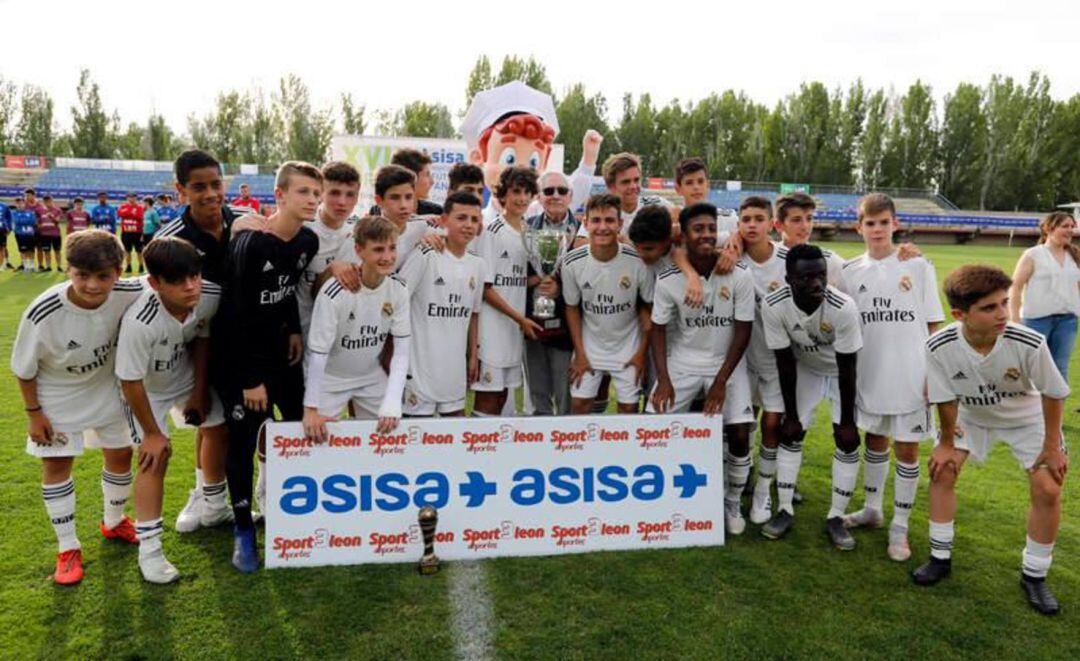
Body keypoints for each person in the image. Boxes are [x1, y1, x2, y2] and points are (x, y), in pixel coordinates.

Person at [914, 265, 1069, 616]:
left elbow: (1053, 393)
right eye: (989, 308)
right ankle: (940, 557)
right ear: (959, 314)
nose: (1003, 313)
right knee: (943, 470)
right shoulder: (938, 345)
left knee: (1048, 487)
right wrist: (945, 443)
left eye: (1004, 302)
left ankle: (1034, 575)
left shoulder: (1028, 341)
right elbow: (944, 396)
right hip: (971, 415)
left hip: (1026, 418)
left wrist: (1050, 447)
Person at [11, 230, 145, 585]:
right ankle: (67, 547)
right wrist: (33, 413)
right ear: (68, 270)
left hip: (107, 388)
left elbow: (170, 277)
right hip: (56, 394)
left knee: (120, 455)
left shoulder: (130, 290)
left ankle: (114, 522)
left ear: (119, 271)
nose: (92, 285)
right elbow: (23, 369)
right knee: (57, 464)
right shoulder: (43, 311)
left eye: (103, 276)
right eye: (81, 275)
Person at [215, 161, 320, 572]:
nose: (312, 199)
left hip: (282, 356)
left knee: (295, 428)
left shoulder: (307, 240)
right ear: (279, 196)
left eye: (316, 192)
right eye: (303, 192)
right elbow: (233, 314)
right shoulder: (252, 242)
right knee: (242, 440)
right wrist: (250, 379)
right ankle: (243, 529)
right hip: (243, 361)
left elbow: (287, 290)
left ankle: (292, 515)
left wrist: (293, 329)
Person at [115, 237, 228, 583]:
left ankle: (213, 506)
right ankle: (150, 551)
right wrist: (151, 433)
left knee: (218, 426)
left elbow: (204, 337)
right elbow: (130, 381)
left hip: (183, 376)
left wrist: (197, 392)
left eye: (194, 275)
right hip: (144, 391)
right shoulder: (141, 321)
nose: (191, 286)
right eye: (178, 281)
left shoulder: (208, 294)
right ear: (155, 283)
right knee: (154, 457)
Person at [839, 193, 944, 561]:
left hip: (911, 374)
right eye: (870, 223)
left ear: (895, 224)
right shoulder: (850, 272)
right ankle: (872, 509)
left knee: (908, 448)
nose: (878, 229)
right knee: (875, 439)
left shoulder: (918, 267)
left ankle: (900, 527)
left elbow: (934, 323)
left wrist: (936, 374)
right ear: (859, 228)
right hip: (870, 371)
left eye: (884, 222)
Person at [155, 149, 252, 532]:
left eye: (216, 184)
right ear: (181, 190)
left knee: (225, 424)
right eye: (199, 187)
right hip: (195, 344)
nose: (210, 194)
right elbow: (161, 300)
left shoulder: (244, 223)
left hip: (239, 338)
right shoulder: (170, 239)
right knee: (211, 422)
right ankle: (206, 496)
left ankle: (209, 495)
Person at [648, 202, 756, 534]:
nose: (706, 234)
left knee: (739, 431)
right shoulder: (669, 279)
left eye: (711, 228)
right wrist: (663, 379)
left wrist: (721, 381)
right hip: (683, 362)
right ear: (686, 236)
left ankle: (732, 501)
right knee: (654, 427)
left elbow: (743, 330)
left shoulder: (739, 275)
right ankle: (659, 496)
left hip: (726, 364)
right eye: (698, 229)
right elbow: (657, 330)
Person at [761, 244, 863, 547]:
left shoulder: (842, 306)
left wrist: (847, 421)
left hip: (842, 372)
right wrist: (790, 415)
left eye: (821, 275)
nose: (817, 283)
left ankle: (836, 517)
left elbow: (848, 367)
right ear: (789, 277)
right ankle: (784, 509)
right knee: (790, 433)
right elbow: (784, 361)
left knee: (845, 439)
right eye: (806, 278)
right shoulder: (773, 304)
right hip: (805, 368)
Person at [303, 216, 410, 441]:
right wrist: (311, 409)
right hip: (330, 379)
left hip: (370, 376)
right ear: (359, 250)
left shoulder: (399, 289)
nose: (388, 257)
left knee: (390, 437)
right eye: (378, 249)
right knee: (315, 440)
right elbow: (318, 353)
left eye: (392, 248)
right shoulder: (335, 292)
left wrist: (391, 403)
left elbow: (402, 351)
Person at [563, 194, 654, 414]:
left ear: (620, 224)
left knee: (628, 409)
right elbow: (572, 307)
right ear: (585, 223)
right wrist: (580, 353)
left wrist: (641, 353)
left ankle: (623, 450)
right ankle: (583, 449)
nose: (602, 227)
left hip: (629, 347)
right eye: (596, 220)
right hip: (589, 346)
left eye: (610, 220)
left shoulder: (638, 261)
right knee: (579, 405)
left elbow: (650, 309)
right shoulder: (572, 262)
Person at [397, 192, 485, 417]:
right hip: (419, 372)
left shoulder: (477, 264)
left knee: (454, 437)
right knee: (416, 438)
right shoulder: (425, 253)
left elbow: (474, 314)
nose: (468, 225)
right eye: (461, 218)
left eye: (474, 220)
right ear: (444, 220)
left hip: (453, 372)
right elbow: (397, 301)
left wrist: (473, 355)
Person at [472, 166, 542, 416]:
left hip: (514, 329)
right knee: (488, 398)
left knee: (502, 397)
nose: (522, 198)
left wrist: (544, 280)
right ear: (502, 196)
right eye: (515, 192)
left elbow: (519, 280)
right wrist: (520, 318)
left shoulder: (530, 233)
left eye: (526, 192)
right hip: (494, 329)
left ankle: (492, 452)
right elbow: (486, 290)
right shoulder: (492, 232)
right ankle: (473, 450)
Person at [736, 196, 788, 524]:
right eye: (746, 219)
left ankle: (763, 492)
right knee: (742, 424)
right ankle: (738, 484)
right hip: (741, 357)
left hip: (777, 359)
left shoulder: (788, 259)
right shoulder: (732, 257)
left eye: (759, 218)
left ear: (772, 223)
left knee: (772, 424)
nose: (752, 224)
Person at [523, 171, 579, 415]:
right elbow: (513, 277)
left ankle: (566, 446)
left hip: (568, 327)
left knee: (566, 391)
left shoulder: (584, 231)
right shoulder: (524, 229)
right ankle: (538, 447)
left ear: (571, 196)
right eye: (548, 191)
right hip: (533, 321)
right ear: (538, 196)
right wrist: (540, 279)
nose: (555, 195)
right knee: (538, 393)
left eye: (561, 190)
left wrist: (560, 287)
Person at [1008, 211, 1080, 380]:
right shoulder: (1033, 255)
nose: (1070, 230)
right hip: (1036, 321)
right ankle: (1031, 407)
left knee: (1059, 369)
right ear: (1049, 229)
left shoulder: (1074, 256)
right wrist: (1015, 321)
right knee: (1031, 368)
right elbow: (1016, 287)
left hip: (1067, 321)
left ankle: (1055, 407)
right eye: (1065, 226)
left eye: (1072, 226)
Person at [296, 161, 363, 336]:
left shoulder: (360, 230)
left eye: (350, 194)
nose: (342, 202)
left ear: (357, 198)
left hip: (343, 338)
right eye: (334, 193)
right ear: (321, 193)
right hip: (304, 334)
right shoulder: (301, 227)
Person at [369, 148, 442, 217]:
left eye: (408, 197)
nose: (432, 181)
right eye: (427, 174)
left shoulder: (437, 212)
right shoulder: (376, 213)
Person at [119, 192, 145, 273]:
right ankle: (128, 266)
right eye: (129, 197)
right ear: (127, 198)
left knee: (139, 251)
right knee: (127, 250)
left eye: (133, 197)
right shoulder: (123, 206)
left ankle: (141, 266)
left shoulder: (139, 207)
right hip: (126, 232)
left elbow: (139, 216)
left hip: (137, 232)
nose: (131, 199)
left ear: (136, 198)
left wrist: (128, 213)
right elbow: (120, 213)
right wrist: (131, 212)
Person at [38, 195, 64, 271]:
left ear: (52, 201)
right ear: (43, 202)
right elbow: (38, 221)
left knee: (57, 250)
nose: (47, 203)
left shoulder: (57, 210)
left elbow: (58, 221)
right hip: (45, 234)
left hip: (55, 234)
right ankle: (48, 266)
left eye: (49, 201)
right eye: (45, 201)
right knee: (47, 251)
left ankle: (59, 266)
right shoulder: (40, 210)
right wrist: (39, 226)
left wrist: (51, 217)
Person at [24, 188, 48, 270]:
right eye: (26, 195)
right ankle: (31, 265)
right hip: (28, 230)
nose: (27, 197)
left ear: (33, 196)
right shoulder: (24, 205)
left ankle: (40, 265)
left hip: (38, 231)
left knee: (39, 248)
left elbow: (44, 217)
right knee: (29, 249)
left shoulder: (40, 205)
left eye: (28, 195)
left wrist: (40, 224)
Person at [13, 197, 38, 272]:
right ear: (16, 205)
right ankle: (26, 266)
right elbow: (17, 221)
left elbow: (33, 221)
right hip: (20, 234)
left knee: (31, 250)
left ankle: (32, 266)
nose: (20, 205)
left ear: (24, 204)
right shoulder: (14, 213)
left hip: (30, 234)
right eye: (18, 203)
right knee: (23, 250)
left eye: (21, 203)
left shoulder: (30, 212)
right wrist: (26, 221)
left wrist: (23, 220)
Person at [0, 197, 11, 269]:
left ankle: (2, 264)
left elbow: (9, 218)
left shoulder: (4, 206)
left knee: (2, 247)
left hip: (2, 230)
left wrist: (9, 228)